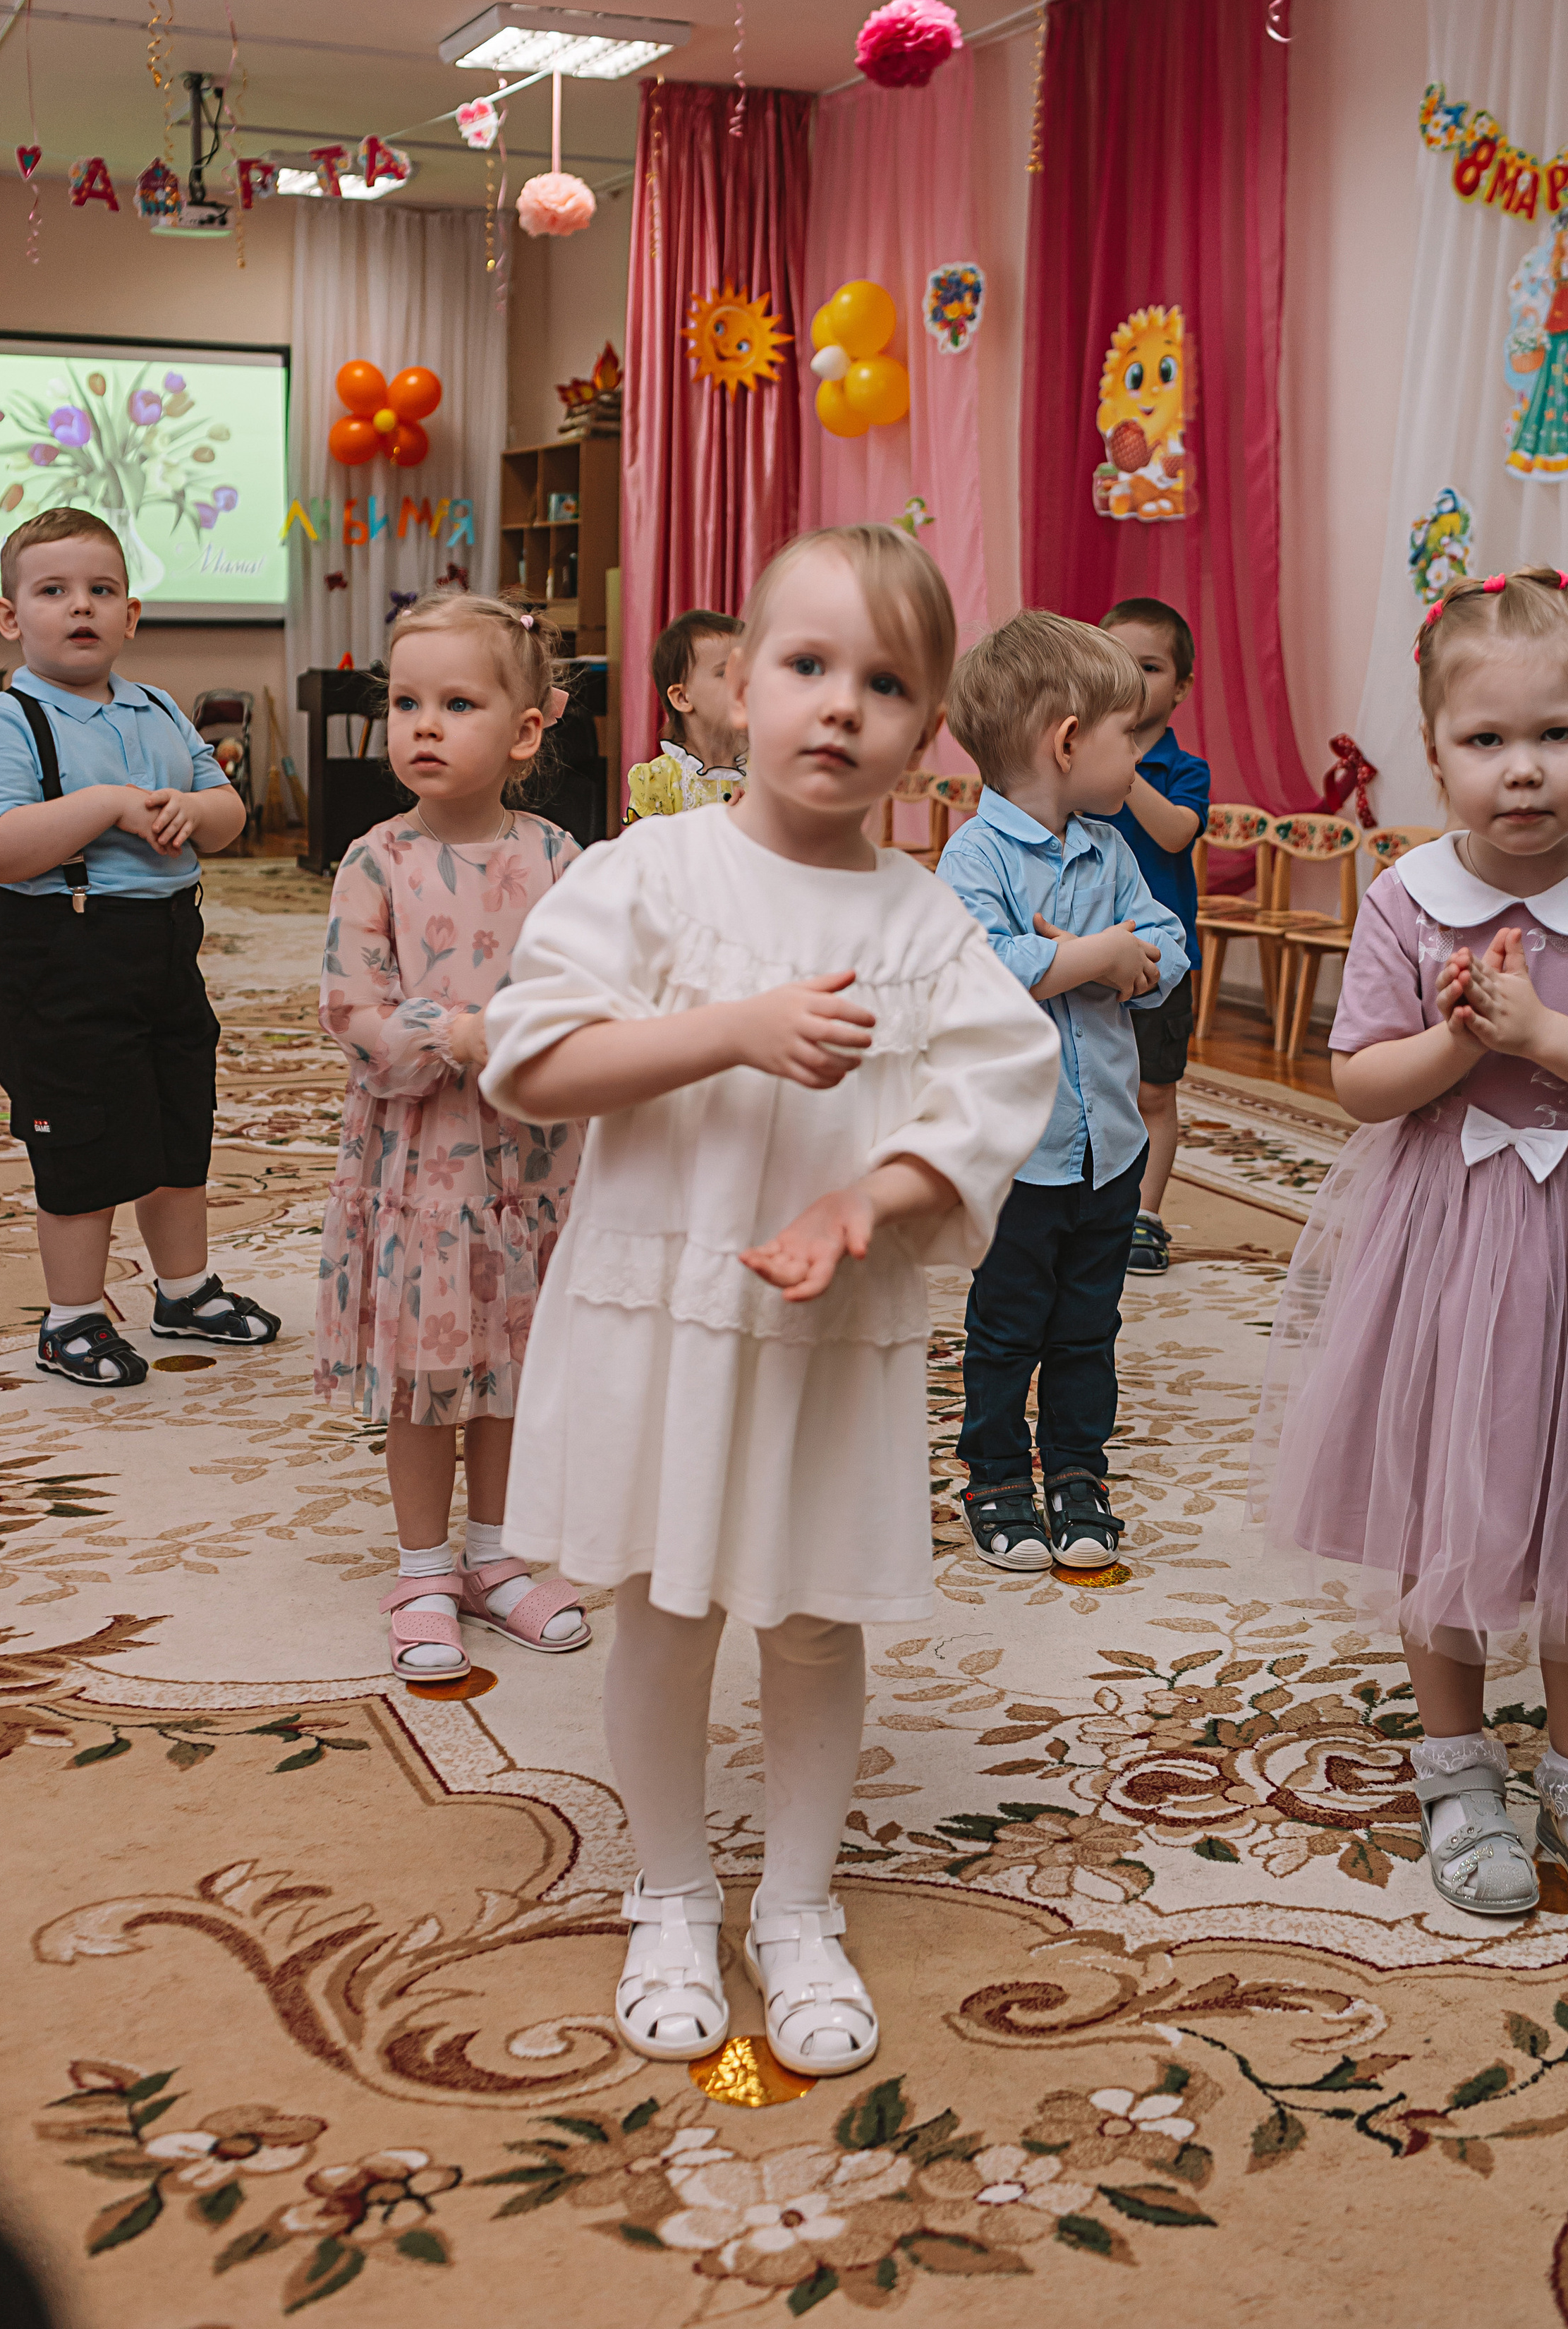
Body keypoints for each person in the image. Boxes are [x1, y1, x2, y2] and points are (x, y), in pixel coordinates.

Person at [480, 526, 1057, 2076]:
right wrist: (730, 1028)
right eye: (805, 666)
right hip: (660, 1314)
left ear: (926, 733)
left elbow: (1002, 1088)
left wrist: (868, 1200)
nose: (837, 707)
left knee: (809, 1626)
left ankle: (796, 1908)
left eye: (884, 684)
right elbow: (531, 1060)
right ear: (734, 687)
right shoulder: (650, 872)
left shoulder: (925, 921)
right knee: (662, 1615)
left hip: (820, 1337)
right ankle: (669, 1894)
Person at [1253, 567, 1568, 1926]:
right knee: (1445, 1504)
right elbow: (1358, 1084)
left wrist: (1540, 1036)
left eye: (1558, 736)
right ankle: (1457, 1767)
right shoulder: (1407, 897)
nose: (1523, 772)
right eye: (1486, 742)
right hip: (1449, 1241)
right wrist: (1456, 1041)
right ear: (1435, 744)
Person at [316, 593, 591, 1681]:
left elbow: (586, 994)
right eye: (406, 702)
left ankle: (498, 1554)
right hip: (423, 1169)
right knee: (432, 1370)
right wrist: (458, 1032)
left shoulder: (564, 858)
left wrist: (520, 1035)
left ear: (528, 730)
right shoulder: (375, 861)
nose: (423, 725)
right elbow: (353, 1011)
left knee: (516, 1364)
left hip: (532, 1163)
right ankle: (424, 1564)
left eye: (458, 703)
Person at [0, 507, 280, 1386]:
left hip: (165, 952)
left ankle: (186, 1287)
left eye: (101, 591)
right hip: (61, 958)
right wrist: (107, 805)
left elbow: (229, 814)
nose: (80, 607)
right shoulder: (7, 722)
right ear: (11, 618)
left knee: (178, 1127)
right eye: (53, 591)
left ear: (131, 616)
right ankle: (73, 1318)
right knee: (83, 1143)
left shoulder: (160, 707)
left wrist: (194, 810)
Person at [937, 613, 1190, 1575]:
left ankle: (1078, 1472)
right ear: (1069, 741)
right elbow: (979, 968)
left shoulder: (1111, 852)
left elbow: (1169, 947)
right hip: (1019, 1150)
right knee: (1006, 1327)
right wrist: (1091, 956)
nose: (1140, 753)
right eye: (1130, 736)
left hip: (1112, 1145)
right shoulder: (976, 859)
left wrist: (1119, 960)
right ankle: (997, 1475)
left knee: (1089, 1323)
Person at [1100, 598, 1208, 1273]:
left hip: (1161, 959)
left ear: (1182, 686)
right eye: (1118, 664)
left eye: (1149, 666)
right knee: (1082, 1083)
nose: (1133, 681)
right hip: (1086, 953)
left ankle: (1144, 1214)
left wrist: (1123, 767)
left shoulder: (1183, 770)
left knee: (1154, 1092)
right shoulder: (1072, 757)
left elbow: (1174, 832)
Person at [625, 607, 746, 818]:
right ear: (682, 698)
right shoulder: (658, 781)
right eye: (725, 673)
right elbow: (646, 850)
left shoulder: (769, 773)